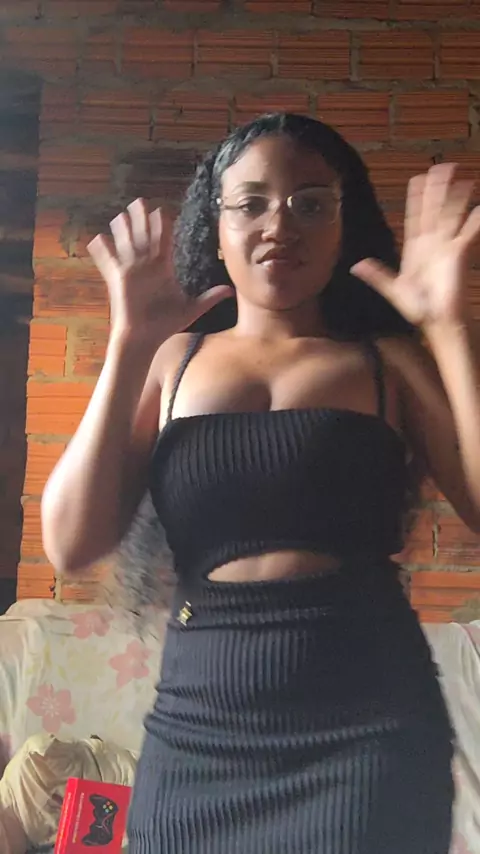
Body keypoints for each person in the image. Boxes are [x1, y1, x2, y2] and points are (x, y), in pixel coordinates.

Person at [41, 113, 480, 853]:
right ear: (216, 229)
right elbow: (70, 543)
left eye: (311, 203)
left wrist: (448, 328)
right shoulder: (172, 361)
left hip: (366, 735)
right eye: (251, 203)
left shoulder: (385, 363)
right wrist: (129, 341)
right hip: (197, 733)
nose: (280, 224)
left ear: (343, 227)